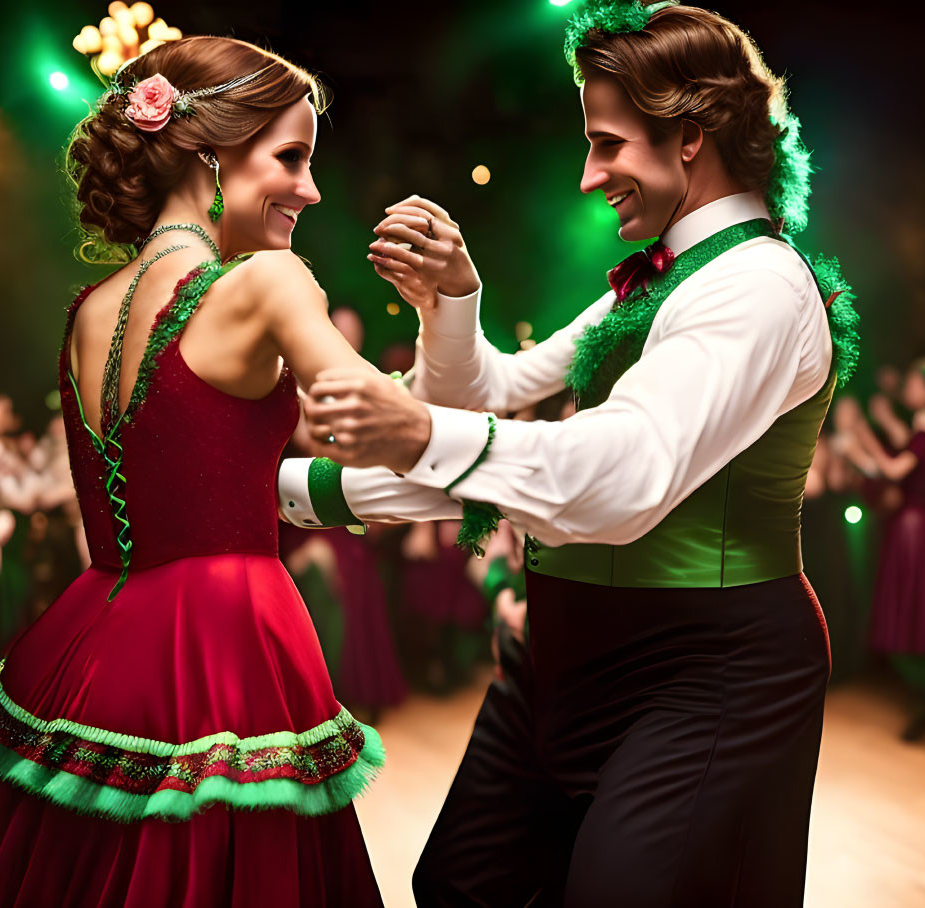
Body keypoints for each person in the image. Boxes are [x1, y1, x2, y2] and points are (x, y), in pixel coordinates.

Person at [277, 1, 860, 904]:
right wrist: (453, 305)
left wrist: (412, 435)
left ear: (692, 136)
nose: (590, 177)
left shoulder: (757, 285)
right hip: (562, 653)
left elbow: (617, 476)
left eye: (608, 143)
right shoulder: (660, 279)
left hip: (705, 670)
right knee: (464, 882)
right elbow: (499, 400)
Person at [0, 36, 388, 907]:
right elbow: (377, 423)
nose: (311, 188)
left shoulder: (88, 311)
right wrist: (452, 319)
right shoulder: (266, 283)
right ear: (208, 153)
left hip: (104, 634)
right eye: (290, 157)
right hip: (230, 639)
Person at [858, 361, 925, 740]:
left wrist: (862, 436)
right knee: (920, 616)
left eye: (916, 382)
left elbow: (893, 470)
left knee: (910, 616)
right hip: (924, 528)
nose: (908, 386)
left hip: (913, 531)